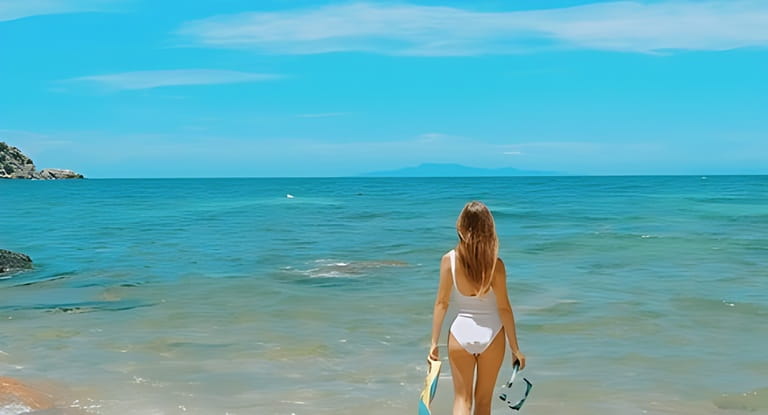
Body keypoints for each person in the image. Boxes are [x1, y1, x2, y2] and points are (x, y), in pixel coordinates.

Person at [428, 201, 526, 415]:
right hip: (492, 336)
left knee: (462, 400)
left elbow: (441, 303)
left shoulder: (449, 261)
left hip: (460, 335)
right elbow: (504, 309)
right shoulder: (496, 265)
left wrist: (434, 343)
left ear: (460, 227)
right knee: (483, 403)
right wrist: (515, 349)